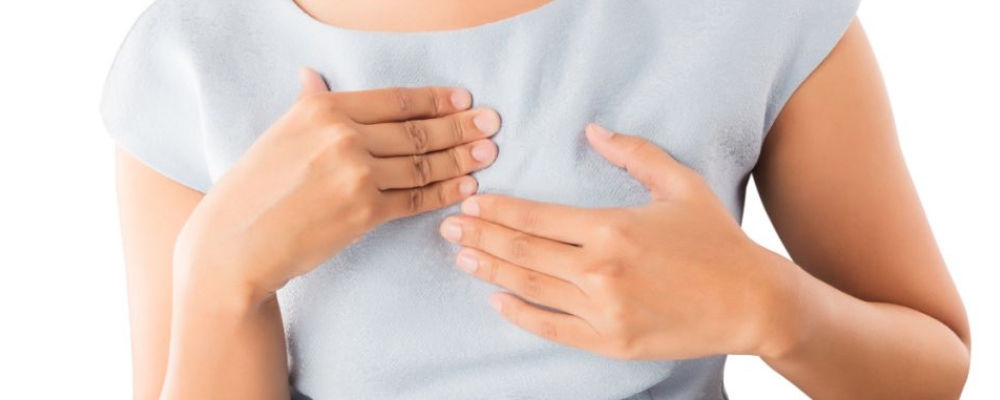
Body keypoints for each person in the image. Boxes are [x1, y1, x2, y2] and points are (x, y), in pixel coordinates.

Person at [99, 0, 971, 399]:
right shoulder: (188, 57)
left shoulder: (759, 14)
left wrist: (773, 308)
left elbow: (933, 373)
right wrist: (218, 282)